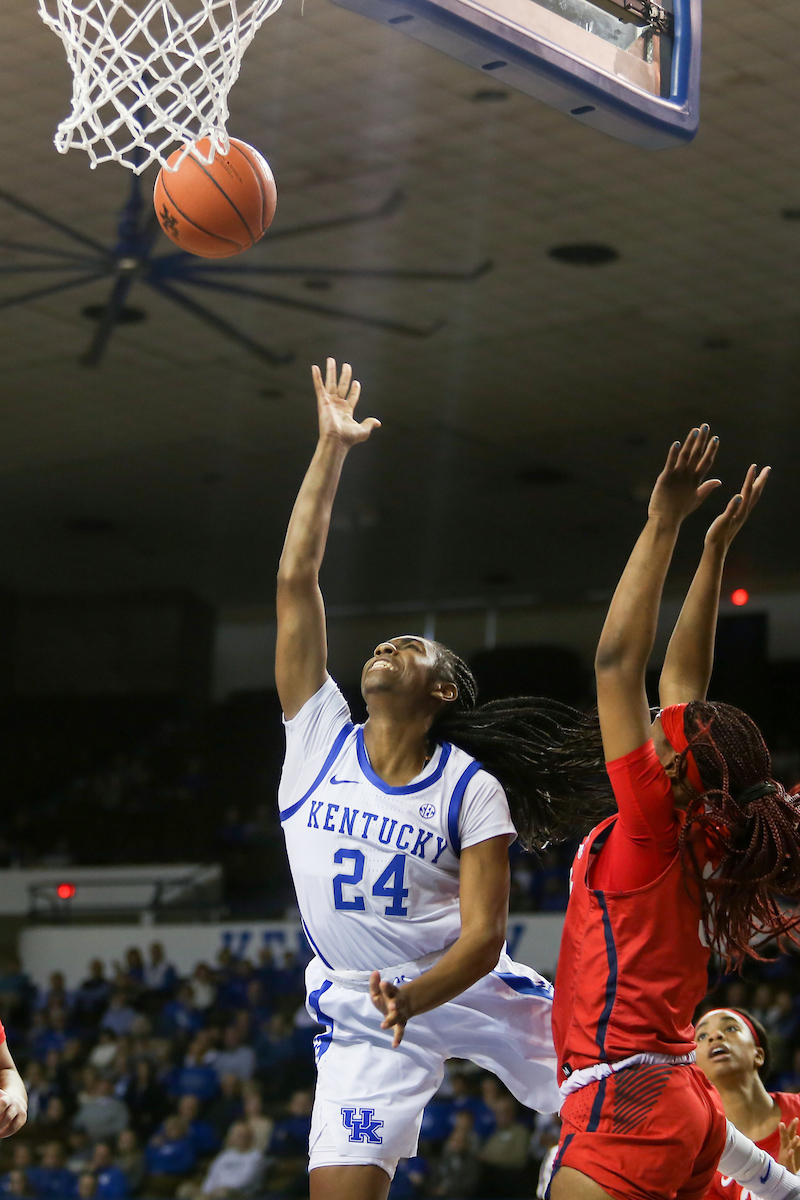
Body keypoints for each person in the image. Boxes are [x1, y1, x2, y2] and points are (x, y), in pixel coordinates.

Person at [275, 358, 610, 1200]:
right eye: (383, 643)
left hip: (467, 984)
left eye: (410, 646)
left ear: (444, 691)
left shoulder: (469, 788)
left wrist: (418, 995)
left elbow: (484, 937)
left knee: (630, 1092)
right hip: (361, 1004)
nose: (387, 646)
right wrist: (330, 450)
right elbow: (295, 582)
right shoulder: (316, 739)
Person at [548, 427, 800, 1200]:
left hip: (626, 1096)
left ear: (670, 770)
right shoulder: (709, 823)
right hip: (677, 1092)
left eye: (661, 728)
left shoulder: (652, 825)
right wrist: (713, 551)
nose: (655, 717)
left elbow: (616, 663)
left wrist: (663, 523)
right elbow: (685, 679)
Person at [696, 1008, 800, 1199]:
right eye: (702, 1036)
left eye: (730, 1028)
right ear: (696, 1070)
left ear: (758, 1054)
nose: (715, 1036)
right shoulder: (703, 1161)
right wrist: (783, 1188)